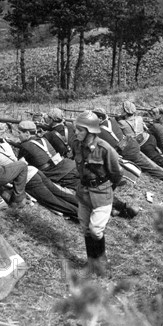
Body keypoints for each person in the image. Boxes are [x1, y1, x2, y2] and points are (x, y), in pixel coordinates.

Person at [17, 121, 139, 219]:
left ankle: (118, 209)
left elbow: (20, 165)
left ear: (27, 133)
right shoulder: (43, 139)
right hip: (70, 165)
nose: (18, 135)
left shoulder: (24, 146)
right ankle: (123, 207)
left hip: (60, 173)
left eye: (20, 133)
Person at [0, 130, 79, 219]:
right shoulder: (5, 145)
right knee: (59, 193)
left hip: (28, 178)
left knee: (53, 202)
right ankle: (86, 206)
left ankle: (81, 215)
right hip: (33, 170)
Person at [71, 111, 123, 277]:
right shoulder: (77, 145)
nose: (76, 133)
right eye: (76, 129)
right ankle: (91, 262)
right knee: (86, 229)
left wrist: (107, 189)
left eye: (79, 130)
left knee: (95, 230)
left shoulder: (104, 148)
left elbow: (116, 173)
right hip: (84, 192)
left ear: (90, 130)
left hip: (102, 193)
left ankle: (101, 262)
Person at [91, 107, 163, 182]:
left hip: (126, 150)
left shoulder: (99, 131)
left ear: (100, 118)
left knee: (148, 166)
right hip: (131, 143)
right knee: (148, 161)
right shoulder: (112, 120)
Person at [117, 101, 163, 177]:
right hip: (149, 138)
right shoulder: (139, 118)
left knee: (156, 161)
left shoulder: (121, 122)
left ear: (125, 111)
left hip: (141, 143)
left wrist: (119, 117)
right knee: (160, 155)